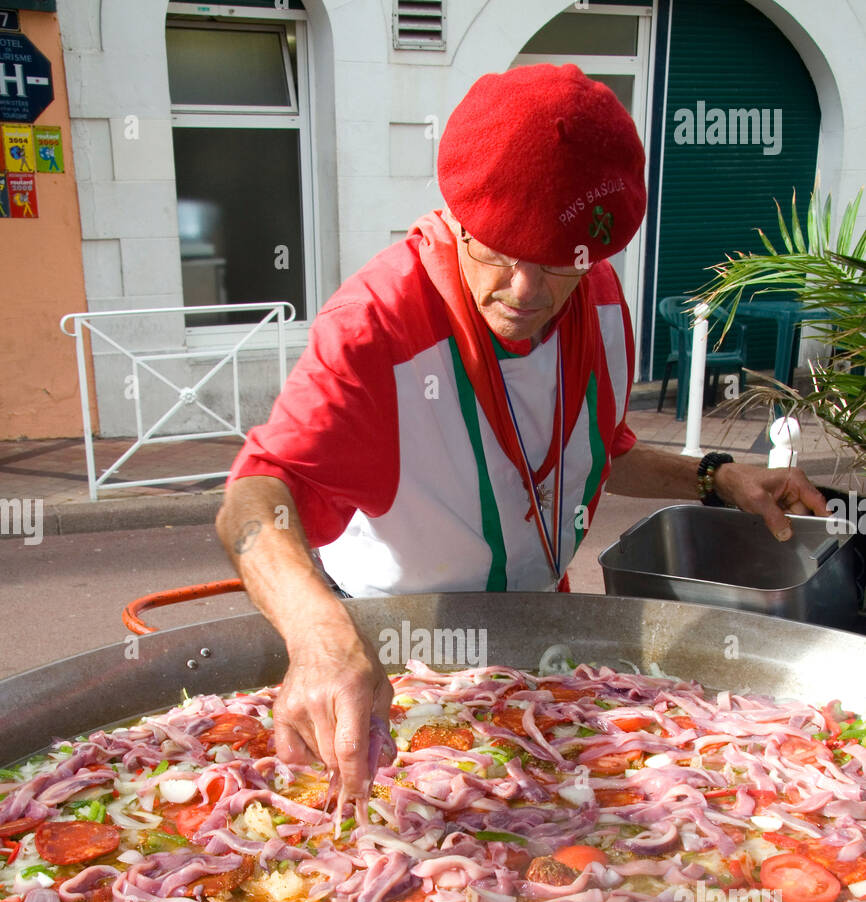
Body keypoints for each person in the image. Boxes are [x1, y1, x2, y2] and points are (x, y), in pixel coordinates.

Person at [217, 64, 827, 799]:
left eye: (555, 262)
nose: (527, 292)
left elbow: (597, 450)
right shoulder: (377, 326)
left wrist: (716, 474)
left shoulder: (597, 296)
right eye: (497, 253)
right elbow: (255, 498)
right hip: (401, 657)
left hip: (542, 633)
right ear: (458, 219)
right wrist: (317, 635)